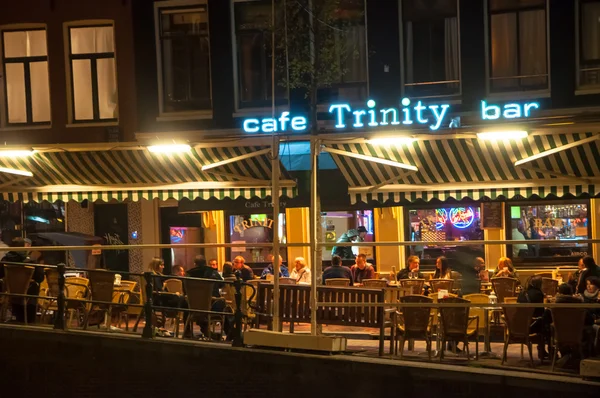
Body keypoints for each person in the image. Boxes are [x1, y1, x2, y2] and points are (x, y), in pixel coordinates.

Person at [186, 255, 231, 340]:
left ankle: (187, 332)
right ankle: (229, 332)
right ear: (206, 263)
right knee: (223, 305)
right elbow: (222, 284)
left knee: (185, 303)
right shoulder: (213, 272)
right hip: (212, 307)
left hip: (193, 308)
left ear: (195, 264)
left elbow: (185, 289)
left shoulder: (189, 274)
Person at [0, 238, 43, 323]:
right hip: (26, 293)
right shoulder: (30, 262)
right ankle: (30, 319)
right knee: (35, 286)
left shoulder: (5, 260)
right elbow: (40, 277)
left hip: (9, 291)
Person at [518, 275, 549, 359]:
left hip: (519, 325)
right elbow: (540, 312)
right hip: (532, 326)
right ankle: (545, 350)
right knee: (547, 324)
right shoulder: (538, 294)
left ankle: (543, 350)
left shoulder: (522, 293)